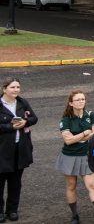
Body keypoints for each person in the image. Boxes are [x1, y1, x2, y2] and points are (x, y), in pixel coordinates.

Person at [57, 90, 94, 224]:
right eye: (77, 100)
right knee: (71, 185)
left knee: (92, 186)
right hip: (70, 155)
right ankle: (75, 215)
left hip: (86, 155)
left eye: (83, 99)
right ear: (71, 103)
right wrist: (85, 133)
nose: (81, 102)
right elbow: (68, 141)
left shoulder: (91, 115)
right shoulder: (65, 120)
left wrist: (76, 137)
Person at [0, 79, 35, 222]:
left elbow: (34, 118)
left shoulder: (22, 102)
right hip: (2, 151)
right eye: (12, 87)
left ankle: (12, 210)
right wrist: (11, 127)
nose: (16, 90)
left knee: (15, 182)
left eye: (18, 87)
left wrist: (25, 122)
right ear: (4, 89)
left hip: (19, 149)